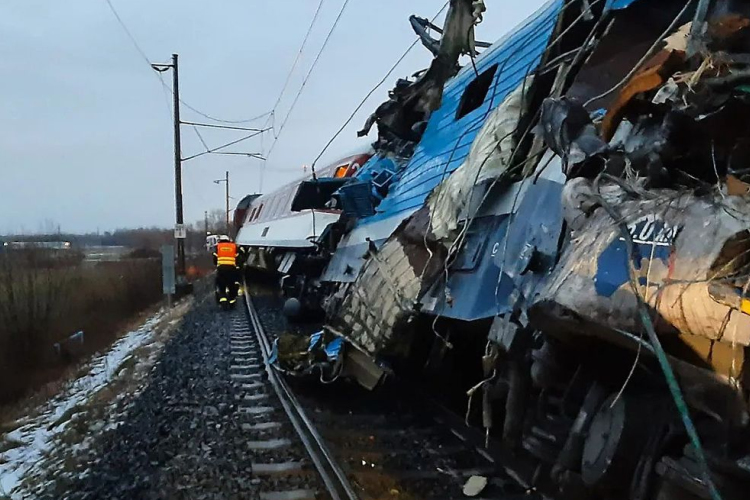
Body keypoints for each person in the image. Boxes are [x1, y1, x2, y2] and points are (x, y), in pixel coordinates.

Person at [213, 235, 239, 307]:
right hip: (231, 269)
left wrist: (219, 264)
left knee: (221, 285)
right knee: (231, 285)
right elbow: (238, 258)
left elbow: (215, 260)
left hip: (221, 270)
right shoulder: (233, 246)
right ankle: (232, 301)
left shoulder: (218, 247)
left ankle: (223, 301)